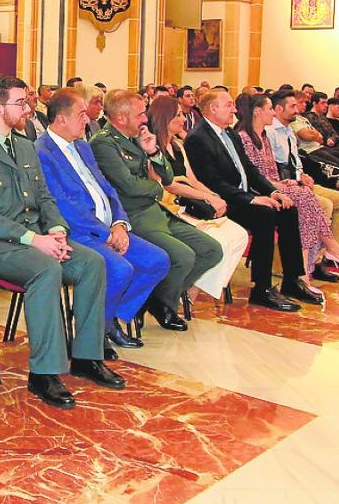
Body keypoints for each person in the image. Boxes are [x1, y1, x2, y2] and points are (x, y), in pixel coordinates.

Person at [0, 76, 122, 410]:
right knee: (45, 270)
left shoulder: (26, 145)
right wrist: (36, 240)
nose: (28, 108)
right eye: (21, 103)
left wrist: (56, 229)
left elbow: (43, 198)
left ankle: (86, 356)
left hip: (33, 236)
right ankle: (44, 373)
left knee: (91, 262)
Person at [38, 90, 170, 344]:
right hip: (77, 233)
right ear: (61, 119)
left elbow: (108, 189)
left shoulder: (83, 147)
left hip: (109, 228)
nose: (87, 120)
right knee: (121, 270)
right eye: (80, 115)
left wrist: (119, 223)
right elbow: (64, 206)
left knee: (157, 260)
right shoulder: (42, 152)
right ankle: (97, 331)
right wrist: (106, 234)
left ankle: (106, 320)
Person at [90, 90, 219, 331]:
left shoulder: (136, 137)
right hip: (133, 217)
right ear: (120, 117)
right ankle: (162, 305)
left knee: (211, 250)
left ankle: (156, 300)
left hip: (156, 212)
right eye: (140, 114)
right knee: (183, 256)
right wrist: (157, 187)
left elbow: (168, 176)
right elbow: (127, 186)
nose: (145, 120)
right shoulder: (103, 142)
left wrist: (153, 152)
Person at [184, 90, 315, 311]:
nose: (234, 109)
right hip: (221, 201)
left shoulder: (230, 134)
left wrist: (272, 192)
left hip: (240, 197)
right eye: (228, 105)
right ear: (212, 109)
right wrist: (253, 200)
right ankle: (261, 288)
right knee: (265, 215)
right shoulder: (198, 138)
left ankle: (292, 279)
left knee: (287, 209)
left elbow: (250, 170)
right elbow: (213, 183)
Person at [235, 94, 339, 297]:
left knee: (309, 198)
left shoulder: (264, 136)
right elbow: (252, 175)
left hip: (275, 184)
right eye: (269, 109)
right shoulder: (244, 137)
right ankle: (315, 263)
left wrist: (286, 180)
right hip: (260, 190)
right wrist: (278, 184)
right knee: (305, 200)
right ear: (258, 112)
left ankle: (309, 269)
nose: (272, 114)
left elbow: (272, 170)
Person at [145, 98, 248, 302]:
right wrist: (204, 196)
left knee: (238, 235)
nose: (183, 119)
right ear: (164, 118)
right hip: (169, 208)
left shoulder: (178, 145)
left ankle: (193, 288)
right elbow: (166, 184)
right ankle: (186, 294)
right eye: (178, 115)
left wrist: (213, 196)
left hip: (188, 204)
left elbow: (192, 180)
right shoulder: (151, 147)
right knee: (218, 242)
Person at [267, 91, 339, 280]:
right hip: (283, 186)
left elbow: (295, 163)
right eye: (292, 106)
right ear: (278, 109)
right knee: (324, 204)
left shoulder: (288, 131)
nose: (297, 110)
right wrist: (296, 179)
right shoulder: (270, 132)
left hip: (299, 182)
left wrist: (303, 175)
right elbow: (275, 169)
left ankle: (325, 257)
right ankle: (306, 264)